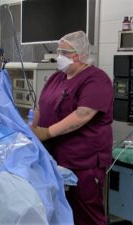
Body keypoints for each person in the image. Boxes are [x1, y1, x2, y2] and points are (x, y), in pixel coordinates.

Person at [31, 31, 113, 225]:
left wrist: (46, 132)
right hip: (54, 158)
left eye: (66, 52)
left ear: (81, 54)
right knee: (60, 211)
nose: (60, 56)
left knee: (85, 213)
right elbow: (41, 106)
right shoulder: (56, 78)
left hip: (84, 161)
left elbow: (81, 115)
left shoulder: (96, 80)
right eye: (59, 51)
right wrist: (30, 128)